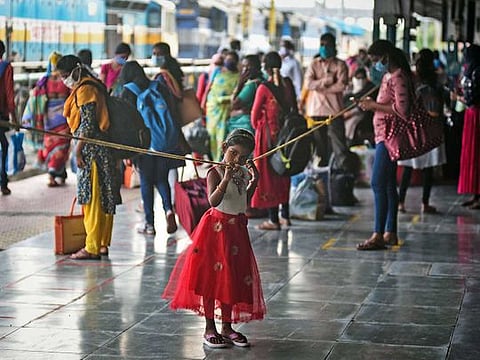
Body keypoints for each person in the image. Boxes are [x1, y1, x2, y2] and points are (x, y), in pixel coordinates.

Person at [162, 129, 265, 348]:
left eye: (243, 157)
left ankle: (227, 327)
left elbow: (242, 202)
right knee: (212, 280)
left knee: (232, 278)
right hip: (215, 231)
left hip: (236, 232)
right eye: (233, 153)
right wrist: (226, 178)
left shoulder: (244, 174)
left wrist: (254, 181)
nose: (237, 160)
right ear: (224, 147)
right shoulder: (214, 172)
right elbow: (213, 201)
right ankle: (210, 328)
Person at [57, 55, 122, 259]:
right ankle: (101, 244)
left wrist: (77, 151)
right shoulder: (94, 85)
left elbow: (87, 125)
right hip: (103, 151)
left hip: (91, 152)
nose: (64, 79)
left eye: (66, 75)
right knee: (103, 196)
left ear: (76, 71)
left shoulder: (86, 90)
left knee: (92, 199)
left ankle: (92, 246)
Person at [356, 47, 414, 250]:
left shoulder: (398, 78)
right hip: (383, 135)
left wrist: (374, 107)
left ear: (386, 57)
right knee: (388, 185)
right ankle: (391, 232)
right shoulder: (389, 77)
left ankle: (378, 234)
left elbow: (402, 110)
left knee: (378, 183)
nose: (374, 65)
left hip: (390, 138)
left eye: (375, 60)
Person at [119, 61, 184, 235]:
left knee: (147, 182)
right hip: (163, 143)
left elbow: (126, 124)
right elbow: (174, 113)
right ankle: (169, 210)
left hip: (144, 145)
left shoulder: (129, 91)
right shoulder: (159, 87)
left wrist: (128, 151)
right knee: (161, 179)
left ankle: (149, 224)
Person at [397, 48, 447, 214]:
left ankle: (401, 202)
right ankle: (425, 203)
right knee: (428, 169)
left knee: (408, 167)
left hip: (413, 127)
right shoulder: (437, 80)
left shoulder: (411, 80)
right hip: (431, 127)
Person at [250, 51, 296, 230]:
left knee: (269, 176)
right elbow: (294, 107)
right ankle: (285, 215)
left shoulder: (264, 87)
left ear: (266, 67)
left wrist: (262, 124)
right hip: (287, 136)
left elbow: (254, 117)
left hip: (267, 138)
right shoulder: (287, 83)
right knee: (283, 172)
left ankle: (273, 219)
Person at [22, 51, 71, 187]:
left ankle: (58, 172)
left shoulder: (44, 81)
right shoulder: (66, 80)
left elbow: (34, 99)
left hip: (48, 120)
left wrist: (28, 116)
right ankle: (52, 174)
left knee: (52, 146)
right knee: (61, 146)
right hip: (62, 118)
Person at [303, 32, 350, 171]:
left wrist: (320, 87)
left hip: (334, 111)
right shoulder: (313, 64)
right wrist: (327, 81)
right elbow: (308, 84)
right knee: (319, 148)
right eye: (322, 45)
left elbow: (342, 86)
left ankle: (342, 176)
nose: (324, 48)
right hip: (315, 111)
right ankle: (321, 179)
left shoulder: (341, 65)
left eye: (327, 45)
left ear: (333, 47)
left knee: (339, 146)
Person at [206, 51, 240, 161]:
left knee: (223, 138)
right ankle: (214, 161)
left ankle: (220, 162)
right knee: (212, 137)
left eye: (232, 59)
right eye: (227, 59)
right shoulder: (217, 71)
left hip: (226, 110)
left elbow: (236, 95)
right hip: (212, 110)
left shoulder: (238, 77)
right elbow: (210, 87)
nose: (229, 61)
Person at [457, 44, 480, 209]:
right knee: (472, 154)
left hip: (477, 114)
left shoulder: (477, 71)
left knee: (476, 154)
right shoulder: (471, 70)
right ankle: (475, 194)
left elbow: (474, 96)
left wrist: (461, 99)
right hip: (472, 114)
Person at [226, 54, 264, 135]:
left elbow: (234, 104)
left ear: (257, 68)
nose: (245, 70)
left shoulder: (252, 86)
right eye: (243, 67)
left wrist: (240, 84)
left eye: (248, 67)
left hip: (244, 125)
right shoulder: (260, 81)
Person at [342, 67, 376, 146]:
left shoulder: (370, 89)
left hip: (363, 116)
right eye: (357, 78)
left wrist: (349, 113)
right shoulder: (349, 91)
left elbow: (363, 106)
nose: (360, 80)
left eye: (362, 78)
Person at [0, 40, 17, 195]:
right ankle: (3, 182)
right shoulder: (6, 68)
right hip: (2, 115)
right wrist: (15, 118)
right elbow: (9, 94)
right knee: (3, 146)